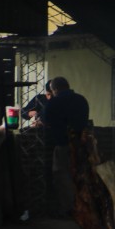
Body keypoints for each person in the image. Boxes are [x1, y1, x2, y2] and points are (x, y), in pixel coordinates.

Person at [43, 76, 90, 216]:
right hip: (82, 144)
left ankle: (69, 208)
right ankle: (85, 208)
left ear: (55, 89)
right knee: (80, 175)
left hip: (63, 144)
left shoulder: (54, 102)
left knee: (61, 175)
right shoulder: (81, 100)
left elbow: (46, 120)